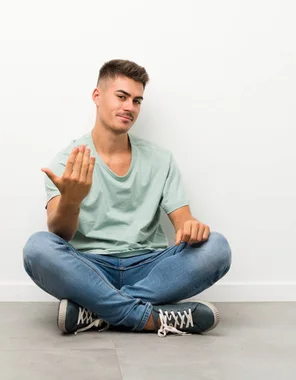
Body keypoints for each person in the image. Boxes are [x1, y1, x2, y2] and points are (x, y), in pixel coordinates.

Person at [23, 59, 232, 337]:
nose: (129, 107)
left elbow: (184, 222)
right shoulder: (69, 160)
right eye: (121, 96)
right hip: (91, 267)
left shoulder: (160, 159)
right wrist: (71, 200)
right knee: (38, 248)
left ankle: (98, 312)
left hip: (149, 267)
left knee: (217, 248)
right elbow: (58, 232)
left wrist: (192, 227)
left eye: (137, 101)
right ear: (97, 96)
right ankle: (149, 318)